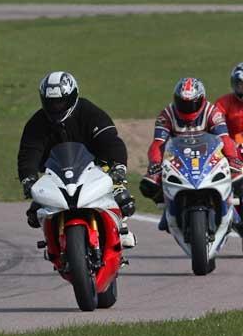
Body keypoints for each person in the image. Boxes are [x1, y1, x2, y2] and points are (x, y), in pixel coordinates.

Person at [18, 71, 137, 248]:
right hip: (55, 174)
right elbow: (29, 153)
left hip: (96, 169)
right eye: (51, 103)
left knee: (122, 198)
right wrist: (28, 178)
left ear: (73, 96)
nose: (56, 107)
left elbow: (111, 141)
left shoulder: (89, 112)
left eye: (61, 102)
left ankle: (121, 228)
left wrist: (118, 166)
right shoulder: (37, 123)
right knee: (35, 213)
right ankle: (53, 242)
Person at [140, 77, 242, 209]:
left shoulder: (212, 112)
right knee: (148, 184)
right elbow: (158, 143)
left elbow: (224, 138)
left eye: (192, 104)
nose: (188, 108)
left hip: (210, 159)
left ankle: (232, 207)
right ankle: (168, 205)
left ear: (202, 100)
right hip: (180, 161)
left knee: (240, 178)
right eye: (183, 104)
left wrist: (232, 159)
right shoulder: (166, 115)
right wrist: (154, 163)